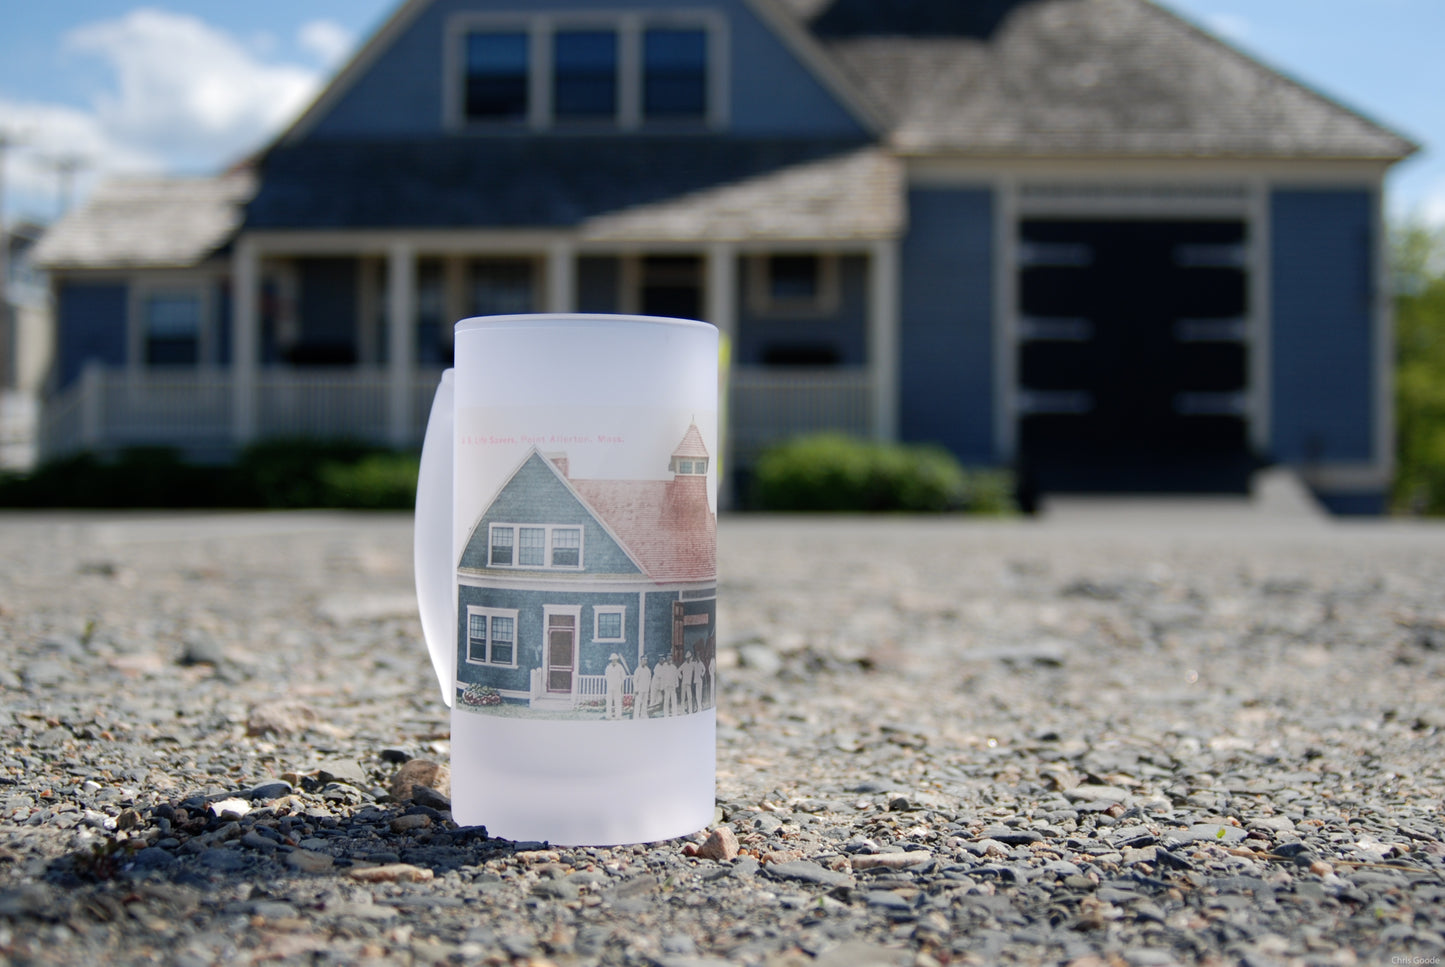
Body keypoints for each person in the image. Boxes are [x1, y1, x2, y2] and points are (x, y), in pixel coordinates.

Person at [603, 653, 627, 720]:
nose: (614, 661)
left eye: (615, 660)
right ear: (611, 660)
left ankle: (618, 716)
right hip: (610, 687)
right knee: (609, 701)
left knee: (618, 701)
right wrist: (610, 682)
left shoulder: (620, 667)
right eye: (612, 660)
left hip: (617, 687)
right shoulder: (608, 667)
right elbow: (606, 677)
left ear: (617, 660)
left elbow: (624, 676)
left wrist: (620, 682)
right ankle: (608, 716)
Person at [631, 653, 653, 719]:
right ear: (640, 661)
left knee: (645, 703)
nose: (644, 661)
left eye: (645, 660)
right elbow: (635, 680)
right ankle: (636, 716)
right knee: (638, 703)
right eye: (643, 660)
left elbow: (649, 680)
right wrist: (636, 689)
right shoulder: (637, 670)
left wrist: (649, 689)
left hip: (645, 689)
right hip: (639, 690)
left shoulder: (648, 670)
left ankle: (643, 715)